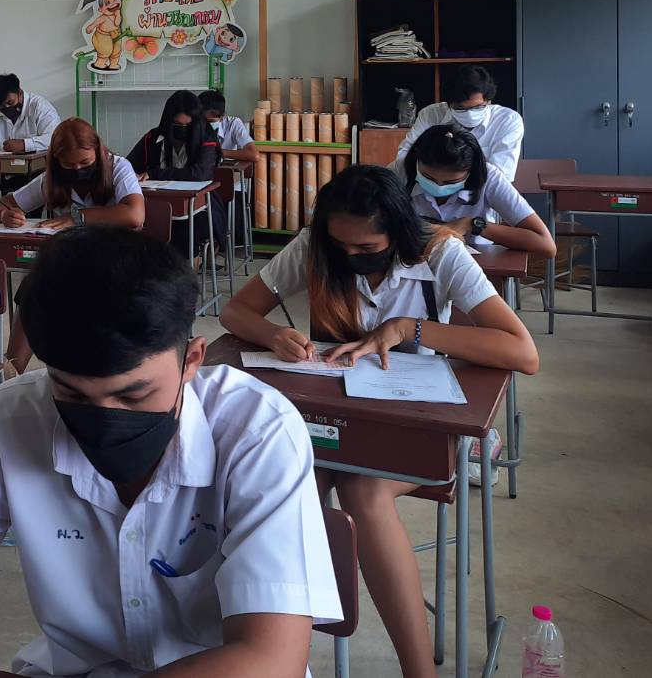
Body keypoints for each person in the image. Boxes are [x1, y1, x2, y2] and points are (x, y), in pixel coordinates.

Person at [0, 226, 340, 678]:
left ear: (191, 360)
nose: (105, 420)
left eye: (134, 396)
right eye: (72, 393)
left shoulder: (256, 430)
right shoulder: (5, 423)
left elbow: (270, 659)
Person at [220, 165, 539, 678]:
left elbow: (522, 352)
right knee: (282, 483)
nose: (351, 256)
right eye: (340, 245)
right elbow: (236, 312)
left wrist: (411, 328)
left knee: (363, 493)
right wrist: (272, 335)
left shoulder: (440, 253)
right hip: (335, 417)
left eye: (366, 247)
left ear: (398, 232)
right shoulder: (314, 247)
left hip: (413, 421)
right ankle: (275, 657)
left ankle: (418, 670)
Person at [0, 117, 144, 371]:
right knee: (34, 287)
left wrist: (78, 218)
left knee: (82, 293)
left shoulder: (118, 167)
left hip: (117, 256)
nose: (77, 169)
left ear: (98, 152)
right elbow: (4, 202)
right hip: (71, 257)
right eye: (69, 165)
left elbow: (135, 215)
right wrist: (4, 214)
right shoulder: (52, 179)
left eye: (85, 163)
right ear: (57, 161)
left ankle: (93, 365)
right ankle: (12, 368)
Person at [403, 127, 555, 257]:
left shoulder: (489, 177)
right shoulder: (400, 171)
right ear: (416, 162)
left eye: (451, 182)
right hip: (414, 258)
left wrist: (472, 224)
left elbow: (546, 245)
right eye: (428, 178)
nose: (439, 187)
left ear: (471, 172)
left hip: (476, 260)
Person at [127, 90, 226, 263]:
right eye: (177, 124)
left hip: (199, 207)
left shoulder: (206, 138)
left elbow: (200, 174)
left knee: (185, 232)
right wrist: (131, 175)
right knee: (135, 229)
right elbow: (129, 165)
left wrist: (155, 173)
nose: (183, 130)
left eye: (188, 125)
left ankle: (184, 277)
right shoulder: (153, 137)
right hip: (157, 204)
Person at [393, 65, 523, 181]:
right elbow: (405, 158)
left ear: (489, 101)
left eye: (478, 107)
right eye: (461, 108)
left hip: (483, 195)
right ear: (448, 104)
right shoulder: (431, 115)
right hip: (431, 189)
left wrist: (442, 174)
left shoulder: (507, 120)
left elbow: (501, 175)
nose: (470, 114)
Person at [0, 73, 60, 155]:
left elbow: (55, 138)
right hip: (0, 163)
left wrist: (25, 144)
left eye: (10, 102)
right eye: (1, 106)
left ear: (20, 93)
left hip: (37, 164)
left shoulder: (39, 106)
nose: (6, 107)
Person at [199, 89, 258, 164]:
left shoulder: (233, 124)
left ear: (222, 117)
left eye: (211, 121)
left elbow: (254, 155)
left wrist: (217, 152)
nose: (206, 124)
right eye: (203, 120)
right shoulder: (192, 124)